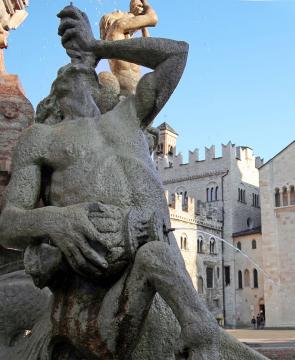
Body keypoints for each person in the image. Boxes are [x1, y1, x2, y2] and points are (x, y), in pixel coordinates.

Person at [0, 5, 219, 359]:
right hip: (95, 303)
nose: (79, 72)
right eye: (66, 73)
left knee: (157, 258)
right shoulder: (42, 137)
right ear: (54, 97)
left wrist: (98, 46)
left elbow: (177, 54)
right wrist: (59, 220)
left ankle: (202, 336)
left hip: (156, 272)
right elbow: (9, 224)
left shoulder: (128, 115)